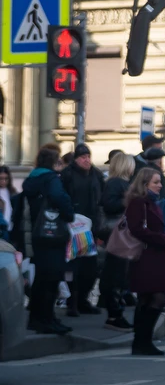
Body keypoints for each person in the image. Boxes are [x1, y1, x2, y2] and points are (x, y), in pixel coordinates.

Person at [11, 147, 76, 335]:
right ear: (53, 162)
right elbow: (59, 197)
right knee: (52, 278)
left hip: (37, 234)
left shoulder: (32, 178)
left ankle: (38, 317)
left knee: (41, 278)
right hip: (53, 234)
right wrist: (69, 213)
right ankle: (46, 319)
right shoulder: (51, 179)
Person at [125, 168, 165, 355]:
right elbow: (137, 230)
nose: (160, 185)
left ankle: (141, 342)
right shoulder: (139, 202)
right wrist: (163, 238)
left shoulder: (151, 203)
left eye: (160, 182)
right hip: (146, 256)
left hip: (154, 255)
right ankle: (142, 341)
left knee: (147, 298)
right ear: (145, 184)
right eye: (156, 182)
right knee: (156, 297)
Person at [60, 143, 104, 316]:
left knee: (90, 267)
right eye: (83, 157)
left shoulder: (96, 174)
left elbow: (101, 197)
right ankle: (73, 302)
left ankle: (83, 299)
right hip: (73, 225)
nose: (87, 160)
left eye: (88, 157)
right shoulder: (67, 175)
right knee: (73, 266)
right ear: (76, 159)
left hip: (91, 225)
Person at [99, 153, 136, 332]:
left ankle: (116, 312)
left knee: (118, 273)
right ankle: (115, 314)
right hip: (118, 233)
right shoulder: (116, 184)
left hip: (120, 233)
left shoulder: (117, 183)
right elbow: (109, 205)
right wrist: (129, 200)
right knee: (116, 274)